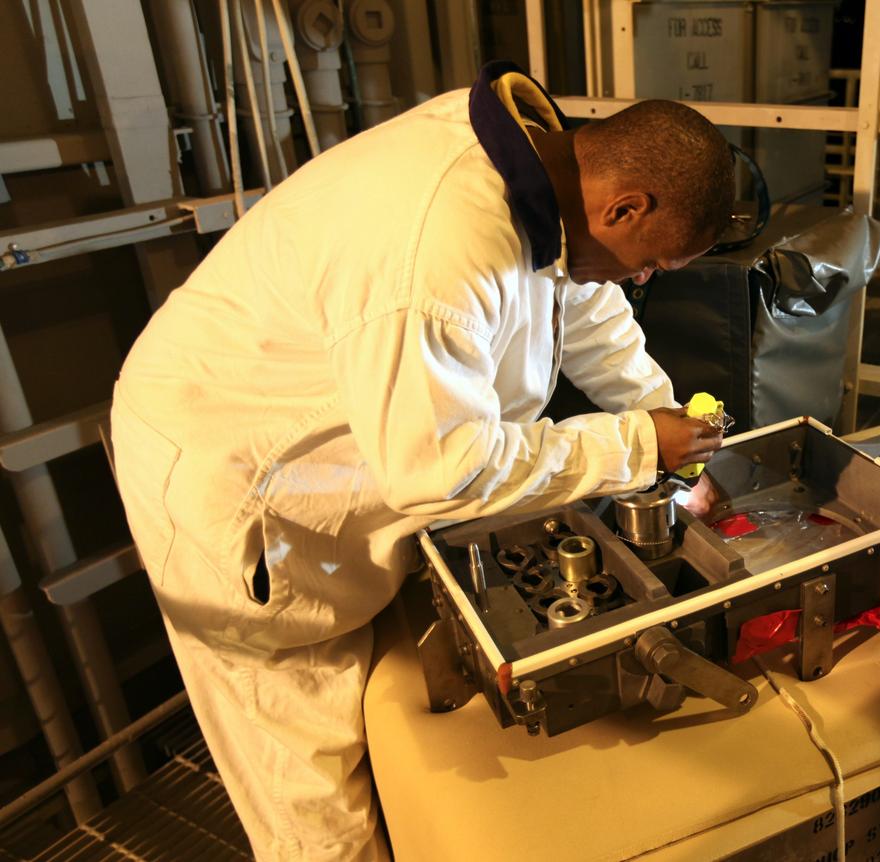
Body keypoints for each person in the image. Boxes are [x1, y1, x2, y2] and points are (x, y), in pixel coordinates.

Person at [111, 61, 733, 860]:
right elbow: (445, 471)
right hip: (237, 478)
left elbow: (586, 305)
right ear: (625, 205)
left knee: (378, 721)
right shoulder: (436, 246)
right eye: (653, 263)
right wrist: (639, 445)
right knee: (309, 769)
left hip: (346, 449)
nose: (643, 280)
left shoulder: (544, 174)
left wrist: (663, 420)